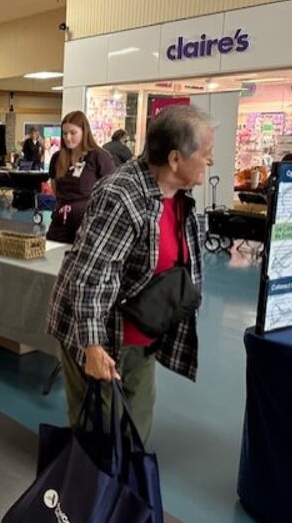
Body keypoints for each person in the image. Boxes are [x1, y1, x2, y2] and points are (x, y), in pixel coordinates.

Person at [47, 104, 213, 444]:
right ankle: (92, 476)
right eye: (205, 152)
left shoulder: (177, 193)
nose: (211, 160)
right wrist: (92, 346)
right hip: (102, 333)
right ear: (175, 159)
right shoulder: (122, 195)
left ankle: (123, 475)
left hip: (143, 333)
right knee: (100, 433)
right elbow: (90, 275)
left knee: (134, 429)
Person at [46, 111, 115, 244]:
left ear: (84, 132)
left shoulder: (99, 157)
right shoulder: (57, 158)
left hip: (88, 225)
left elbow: (111, 192)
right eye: (65, 133)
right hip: (60, 221)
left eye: (73, 133)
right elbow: (55, 188)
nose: (68, 138)